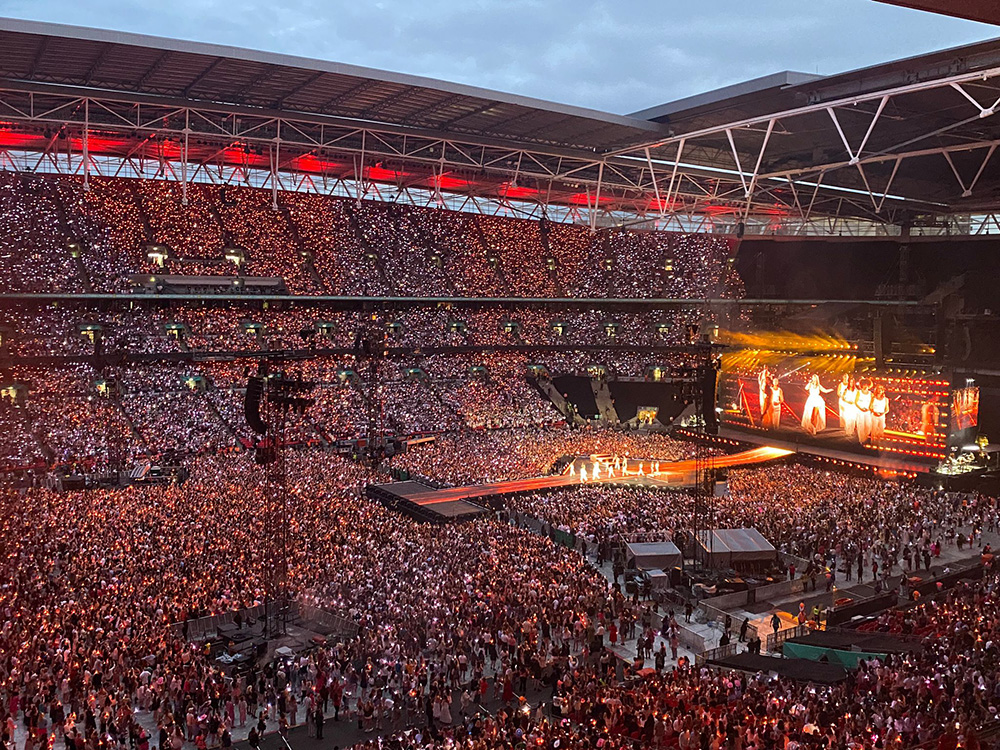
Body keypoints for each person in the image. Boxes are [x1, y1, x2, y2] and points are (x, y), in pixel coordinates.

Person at [855, 379, 875, 444]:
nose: (865, 386)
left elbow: (872, 403)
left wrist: (869, 409)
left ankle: (866, 438)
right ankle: (861, 440)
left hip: (867, 411)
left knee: (868, 425)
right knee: (861, 425)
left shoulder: (871, 394)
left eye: (867, 385)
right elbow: (856, 402)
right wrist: (860, 408)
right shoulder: (859, 392)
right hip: (860, 411)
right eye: (864, 385)